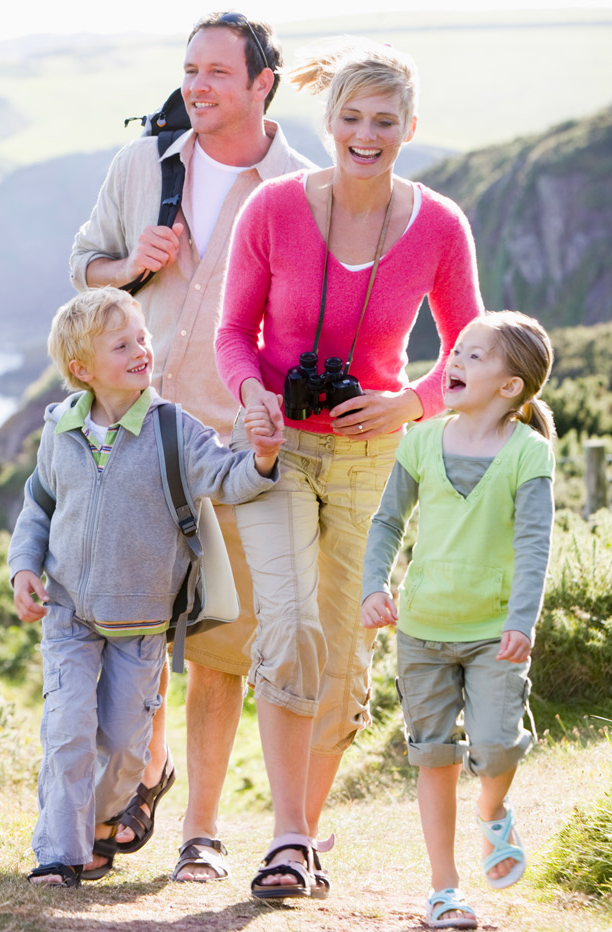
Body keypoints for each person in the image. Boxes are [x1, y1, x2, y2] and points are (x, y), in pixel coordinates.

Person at [213, 37, 483, 899]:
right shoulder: (274, 210)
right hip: (279, 448)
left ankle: (304, 833)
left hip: (377, 457)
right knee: (288, 625)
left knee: (341, 649)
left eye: (385, 121)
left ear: (409, 127)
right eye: (352, 118)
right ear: (327, 121)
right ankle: (289, 838)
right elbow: (233, 337)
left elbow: (471, 353)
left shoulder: (440, 224)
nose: (366, 135)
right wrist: (253, 395)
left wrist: (408, 402)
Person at [68, 11, 314, 882]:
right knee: (131, 630)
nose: (197, 86)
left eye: (217, 71)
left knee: (217, 645)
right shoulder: (143, 165)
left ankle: (199, 836)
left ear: (262, 83)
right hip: (132, 437)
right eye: (189, 70)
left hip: (231, 444)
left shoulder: (300, 190)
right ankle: (143, 775)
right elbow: (84, 268)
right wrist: (129, 261)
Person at [8, 286, 282, 886]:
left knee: (127, 749)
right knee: (67, 730)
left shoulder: (172, 429)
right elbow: (38, 507)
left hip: (141, 626)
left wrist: (260, 459)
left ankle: (103, 826)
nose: (142, 349)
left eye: (142, 338)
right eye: (122, 343)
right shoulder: (61, 429)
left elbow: (225, 475)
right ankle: (58, 852)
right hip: (70, 615)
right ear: (82, 369)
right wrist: (24, 567)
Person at [361, 311, 555, 929]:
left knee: (496, 748)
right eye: (457, 353)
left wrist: (523, 619)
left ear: (510, 387)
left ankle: (493, 811)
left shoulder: (529, 453)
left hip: (496, 632)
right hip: (421, 629)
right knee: (434, 758)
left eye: (476, 356)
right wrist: (375, 584)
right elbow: (388, 519)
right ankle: (444, 889)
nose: (457, 363)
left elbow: (534, 544)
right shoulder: (420, 439)